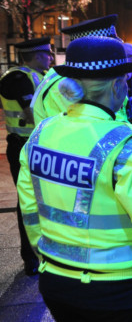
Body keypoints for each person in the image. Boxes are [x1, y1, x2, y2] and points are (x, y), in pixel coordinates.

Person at [16, 35, 132, 321]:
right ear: (116, 86)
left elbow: (30, 211)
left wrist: (48, 258)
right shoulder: (125, 145)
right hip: (116, 289)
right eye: (125, 82)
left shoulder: (41, 133)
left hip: (55, 281)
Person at [31, 15, 132, 175]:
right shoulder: (64, 87)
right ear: (90, 49)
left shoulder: (101, 81)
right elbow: (111, 144)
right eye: (108, 48)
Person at [0, 37, 53, 275]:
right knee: (28, 202)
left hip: (37, 145)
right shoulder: (18, 78)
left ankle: (47, 252)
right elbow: (33, 115)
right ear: (37, 55)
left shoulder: (39, 76)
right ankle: (30, 257)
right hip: (23, 145)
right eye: (48, 54)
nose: (51, 58)